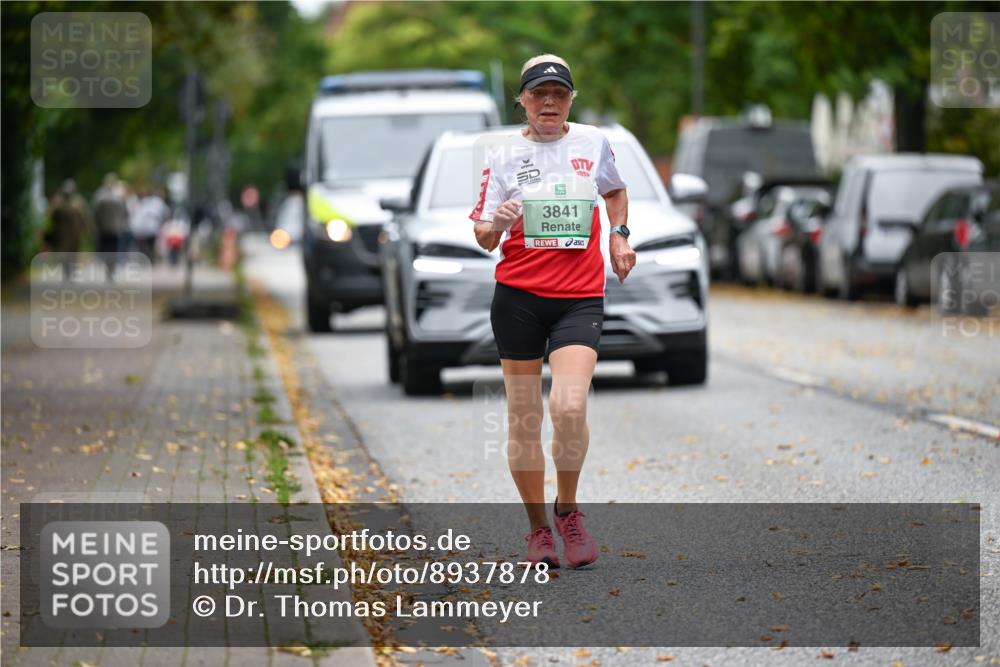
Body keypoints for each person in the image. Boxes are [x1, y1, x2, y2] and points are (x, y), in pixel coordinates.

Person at [469, 54, 636, 568]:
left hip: (578, 296)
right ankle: (539, 531)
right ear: (521, 99)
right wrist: (495, 222)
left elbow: (615, 190)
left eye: (558, 94)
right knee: (524, 420)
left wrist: (619, 235)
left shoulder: (593, 142)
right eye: (538, 94)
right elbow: (481, 235)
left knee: (567, 407)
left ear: (570, 100)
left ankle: (568, 509)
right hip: (518, 298)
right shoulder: (499, 154)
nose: (548, 103)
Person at [46, 179, 93, 280]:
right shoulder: (59, 203)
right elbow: (52, 218)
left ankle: (70, 274)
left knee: (73, 255)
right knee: (64, 255)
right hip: (63, 235)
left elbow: (85, 218)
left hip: (75, 235)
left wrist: (86, 231)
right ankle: (67, 274)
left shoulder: (78, 202)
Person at [92, 173, 131, 280]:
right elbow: (126, 213)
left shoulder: (99, 196)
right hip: (115, 229)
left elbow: (95, 213)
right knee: (113, 250)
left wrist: (97, 224)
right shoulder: (119, 197)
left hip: (103, 229)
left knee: (105, 249)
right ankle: (111, 270)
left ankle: (108, 269)